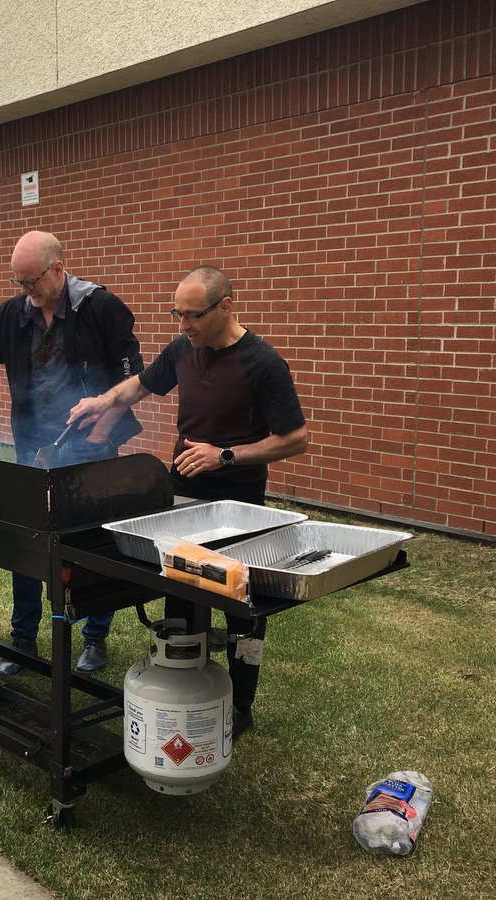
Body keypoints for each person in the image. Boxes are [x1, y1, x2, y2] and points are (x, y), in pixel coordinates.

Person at [69, 265, 309, 737]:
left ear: (226, 306)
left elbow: (296, 439)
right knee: (180, 590)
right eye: (177, 314)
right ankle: (186, 691)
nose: (183, 326)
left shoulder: (262, 362)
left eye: (193, 316)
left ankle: (240, 705)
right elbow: (141, 384)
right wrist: (105, 401)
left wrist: (225, 456)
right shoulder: (184, 348)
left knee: (242, 608)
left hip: (240, 505)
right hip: (182, 496)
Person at [0, 230, 145, 674]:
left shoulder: (101, 308)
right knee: (26, 544)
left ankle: (95, 638)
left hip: (91, 448)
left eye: (31, 283)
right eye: (18, 283)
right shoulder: (14, 314)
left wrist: (102, 433)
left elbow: (132, 380)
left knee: (90, 546)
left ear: (58, 270)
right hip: (33, 448)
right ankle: (23, 642)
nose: (26, 292)